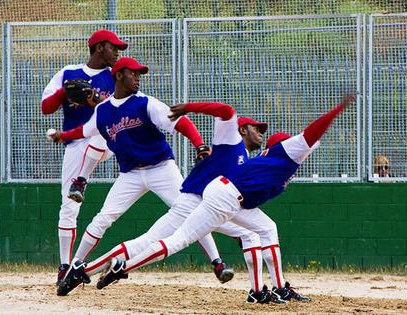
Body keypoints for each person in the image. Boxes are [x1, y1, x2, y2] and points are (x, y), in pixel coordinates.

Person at [56, 94, 356, 301]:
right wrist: (190, 110)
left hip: (221, 203)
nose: (260, 134)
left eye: (264, 131)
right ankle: (87, 268)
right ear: (243, 129)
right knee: (157, 240)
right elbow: (226, 112)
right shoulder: (232, 139)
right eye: (256, 128)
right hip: (198, 199)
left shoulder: (250, 161)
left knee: (257, 233)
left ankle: (259, 290)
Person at [47, 57, 236, 287]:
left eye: (139, 74)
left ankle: (217, 262)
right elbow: (84, 130)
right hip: (130, 175)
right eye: (133, 73)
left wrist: (200, 145)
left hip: (162, 168)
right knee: (103, 218)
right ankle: (75, 266)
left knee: (189, 211)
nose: (138, 77)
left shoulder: (146, 102)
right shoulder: (104, 111)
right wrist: (62, 136)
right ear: (118, 76)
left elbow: (181, 123)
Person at [41, 29, 128, 284]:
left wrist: (95, 98)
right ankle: (65, 267)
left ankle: (82, 179)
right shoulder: (69, 73)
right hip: (76, 144)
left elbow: (119, 109)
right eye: (114, 48)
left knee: (100, 132)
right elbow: (46, 108)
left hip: (108, 141)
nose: (118, 53)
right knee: (68, 207)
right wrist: (65, 92)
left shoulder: (116, 75)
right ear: (100, 47)